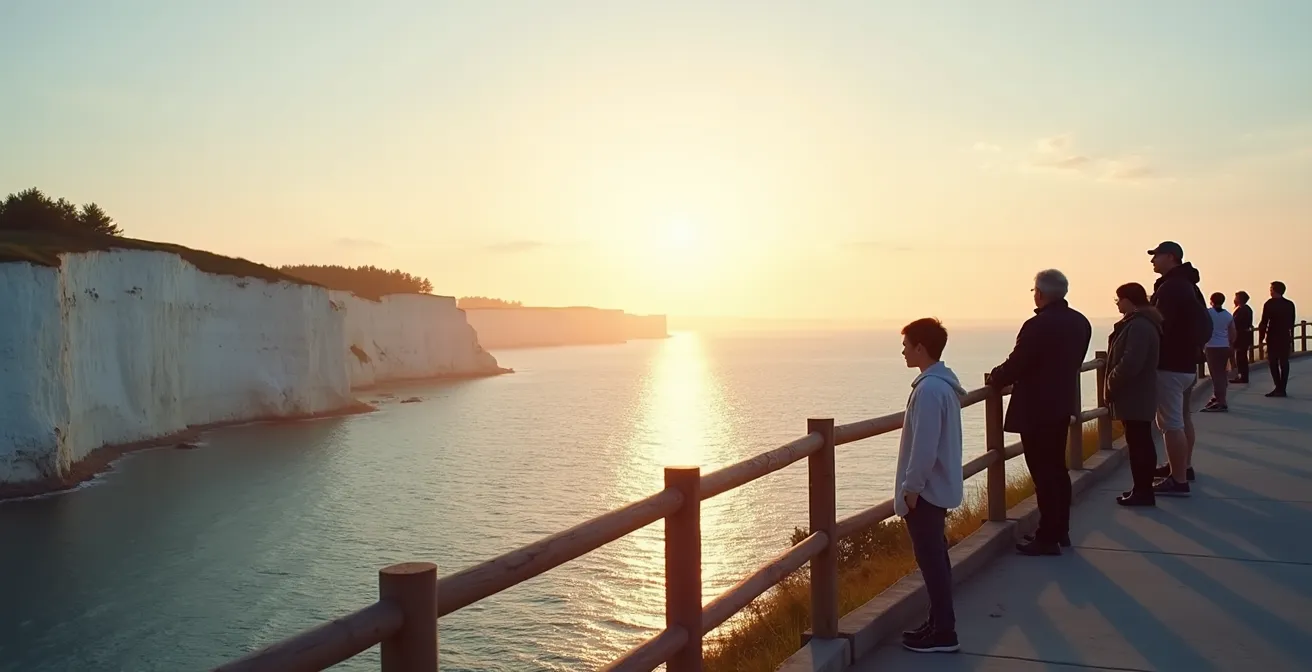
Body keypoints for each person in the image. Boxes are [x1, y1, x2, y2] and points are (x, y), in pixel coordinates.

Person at [987, 269, 1092, 556]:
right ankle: (1061, 530)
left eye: (1034, 290)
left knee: (1043, 474)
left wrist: (995, 377)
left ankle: (1047, 537)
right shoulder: (1080, 322)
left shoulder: (1037, 325)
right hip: (1062, 404)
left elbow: (1017, 362)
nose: (1033, 294)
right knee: (1057, 469)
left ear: (1041, 293)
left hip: (1036, 409)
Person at [894, 318, 965, 654]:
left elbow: (924, 446)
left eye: (907, 344)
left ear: (921, 347)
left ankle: (944, 631)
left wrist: (911, 487)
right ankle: (937, 622)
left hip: (926, 491)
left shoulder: (929, 391)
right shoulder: (940, 387)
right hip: (936, 488)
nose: (904, 350)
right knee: (937, 556)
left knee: (931, 560)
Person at [1147, 241, 1206, 495]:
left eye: (1156, 256)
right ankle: (1184, 466)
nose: (1152, 261)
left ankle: (1178, 480)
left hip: (1170, 364)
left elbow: (1161, 326)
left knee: (1171, 423)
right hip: (1188, 363)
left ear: (1171, 257)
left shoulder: (1171, 288)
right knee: (1183, 418)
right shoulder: (1190, 286)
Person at [1106, 283, 1162, 506]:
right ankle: (1141, 488)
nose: (1117, 304)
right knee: (1140, 441)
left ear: (1128, 299)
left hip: (1135, 394)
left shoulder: (1139, 325)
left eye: (1118, 299)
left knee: (1139, 443)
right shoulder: (1144, 322)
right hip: (1139, 393)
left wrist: (1111, 383)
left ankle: (1143, 491)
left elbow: (1131, 362)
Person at [1258, 281, 1297, 397]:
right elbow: (1292, 322)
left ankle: (1278, 387)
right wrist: (1291, 338)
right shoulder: (1289, 304)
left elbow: (1264, 322)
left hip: (1272, 336)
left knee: (1273, 362)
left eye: (1271, 289)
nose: (1270, 291)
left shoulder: (1269, 304)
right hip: (1285, 336)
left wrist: (1261, 338)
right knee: (1284, 362)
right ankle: (1282, 388)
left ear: (1274, 290)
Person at [1201, 292, 1237, 412]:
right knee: (1222, 374)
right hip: (1224, 346)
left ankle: (1221, 401)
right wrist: (1230, 343)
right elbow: (1233, 333)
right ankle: (1219, 398)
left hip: (1212, 347)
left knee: (1216, 375)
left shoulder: (1208, 313)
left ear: (1211, 300)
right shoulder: (1228, 315)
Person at [1230, 291, 1253, 384]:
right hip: (1243, 336)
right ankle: (1242, 375)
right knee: (1241, 357)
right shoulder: (1245, 309)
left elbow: (1236, 323)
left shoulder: (1242, 310)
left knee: (1241, 357)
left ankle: (1243, 376)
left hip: (1241, 337)